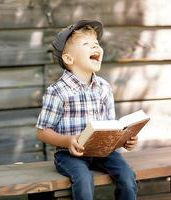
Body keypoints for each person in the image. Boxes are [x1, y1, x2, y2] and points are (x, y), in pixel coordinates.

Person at [36, 20, 138, 200]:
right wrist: (67, 141)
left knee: (127, 176)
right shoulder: (58, 91)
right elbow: (43, 132)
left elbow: (111, 127)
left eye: (96, 44)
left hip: (102, 151)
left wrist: (124, 140)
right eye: (86, 44)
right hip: (69, 155)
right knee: (83, 178)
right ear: (69, 58)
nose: (95, 47)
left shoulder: (104, 88)